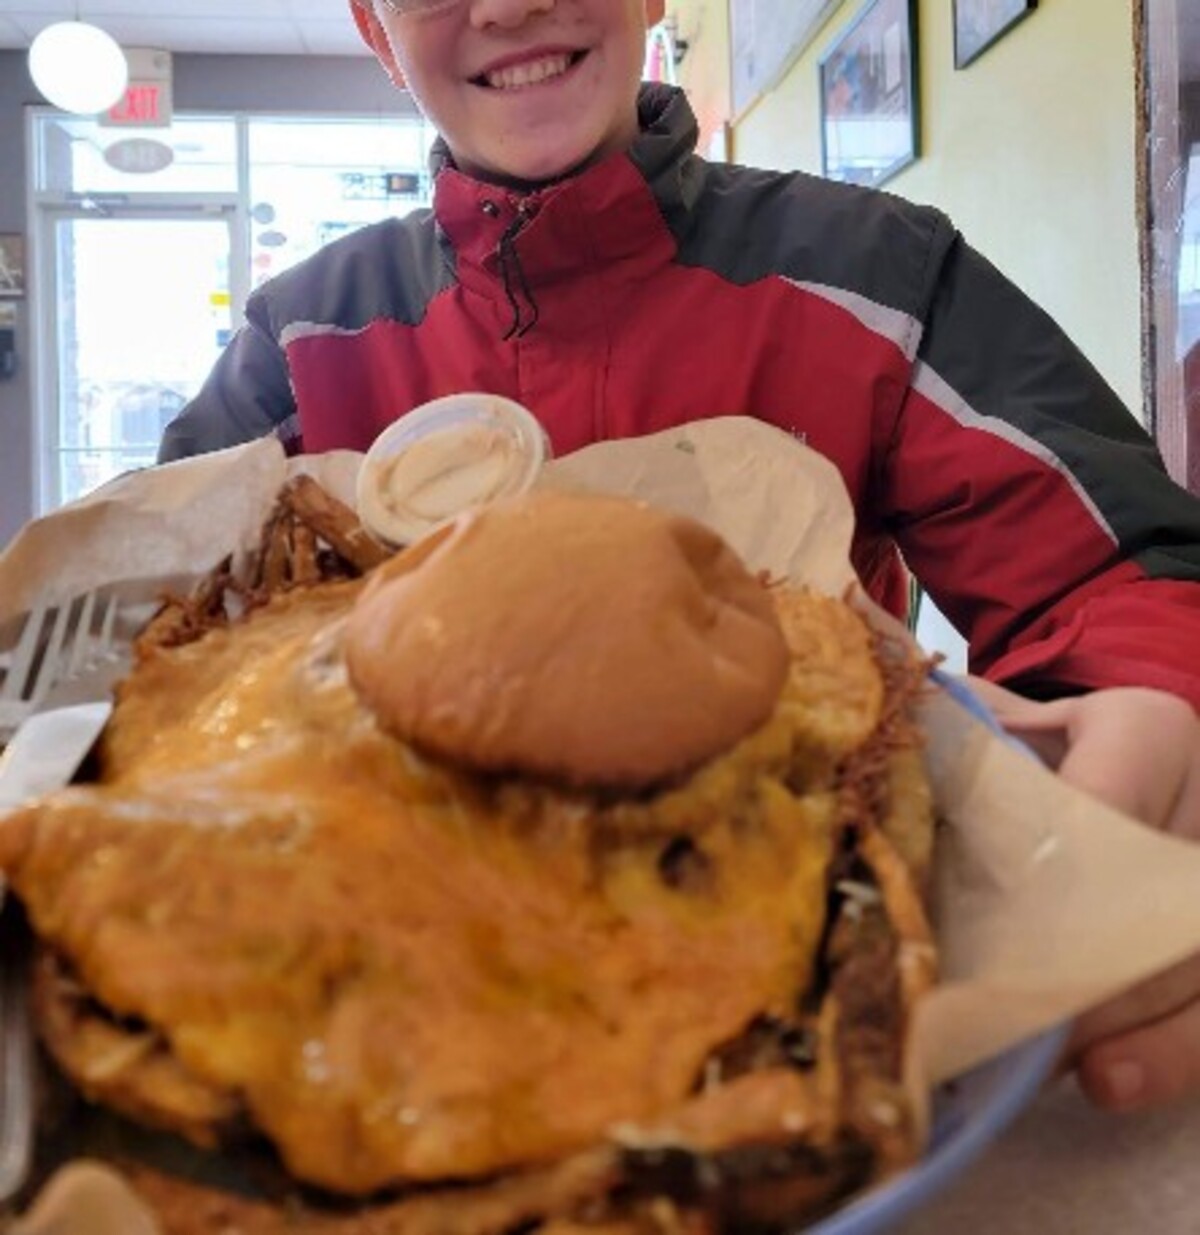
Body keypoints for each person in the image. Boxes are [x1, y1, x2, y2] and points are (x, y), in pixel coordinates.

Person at [158, 0, 1200, 1113]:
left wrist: (1152, 722)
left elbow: (1121, 576)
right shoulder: (298, 344)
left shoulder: (886, 280)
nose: (507, 5)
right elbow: (136, 645)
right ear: (373, 28)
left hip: (808, 977)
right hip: (361, 1013)